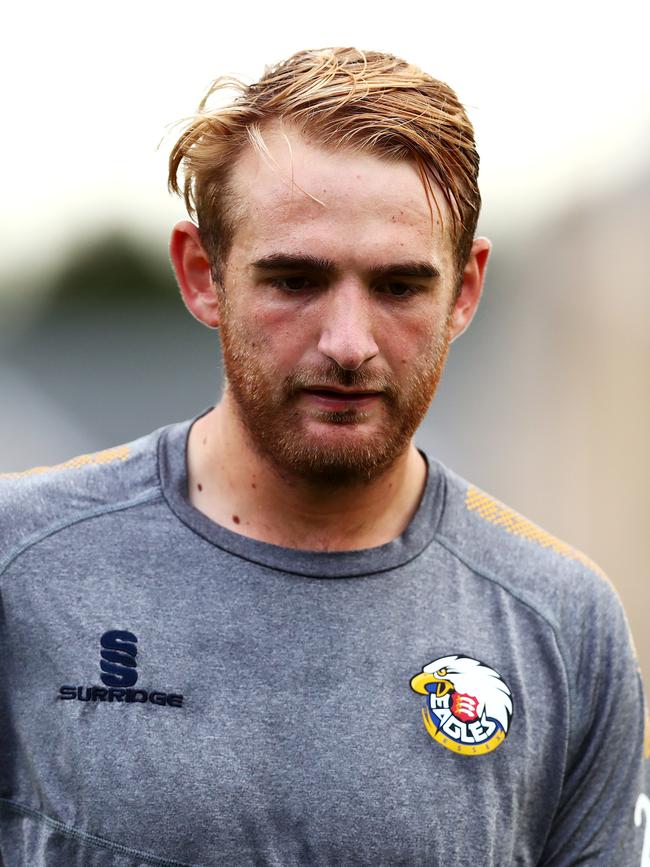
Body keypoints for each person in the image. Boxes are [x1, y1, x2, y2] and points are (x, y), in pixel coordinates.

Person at [0, 47, 647, 867]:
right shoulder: (22, 562)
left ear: (466, 291)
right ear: (203, 275)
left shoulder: (564, 624)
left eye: (399, 286)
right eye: (296, 280)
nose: (349, 345)